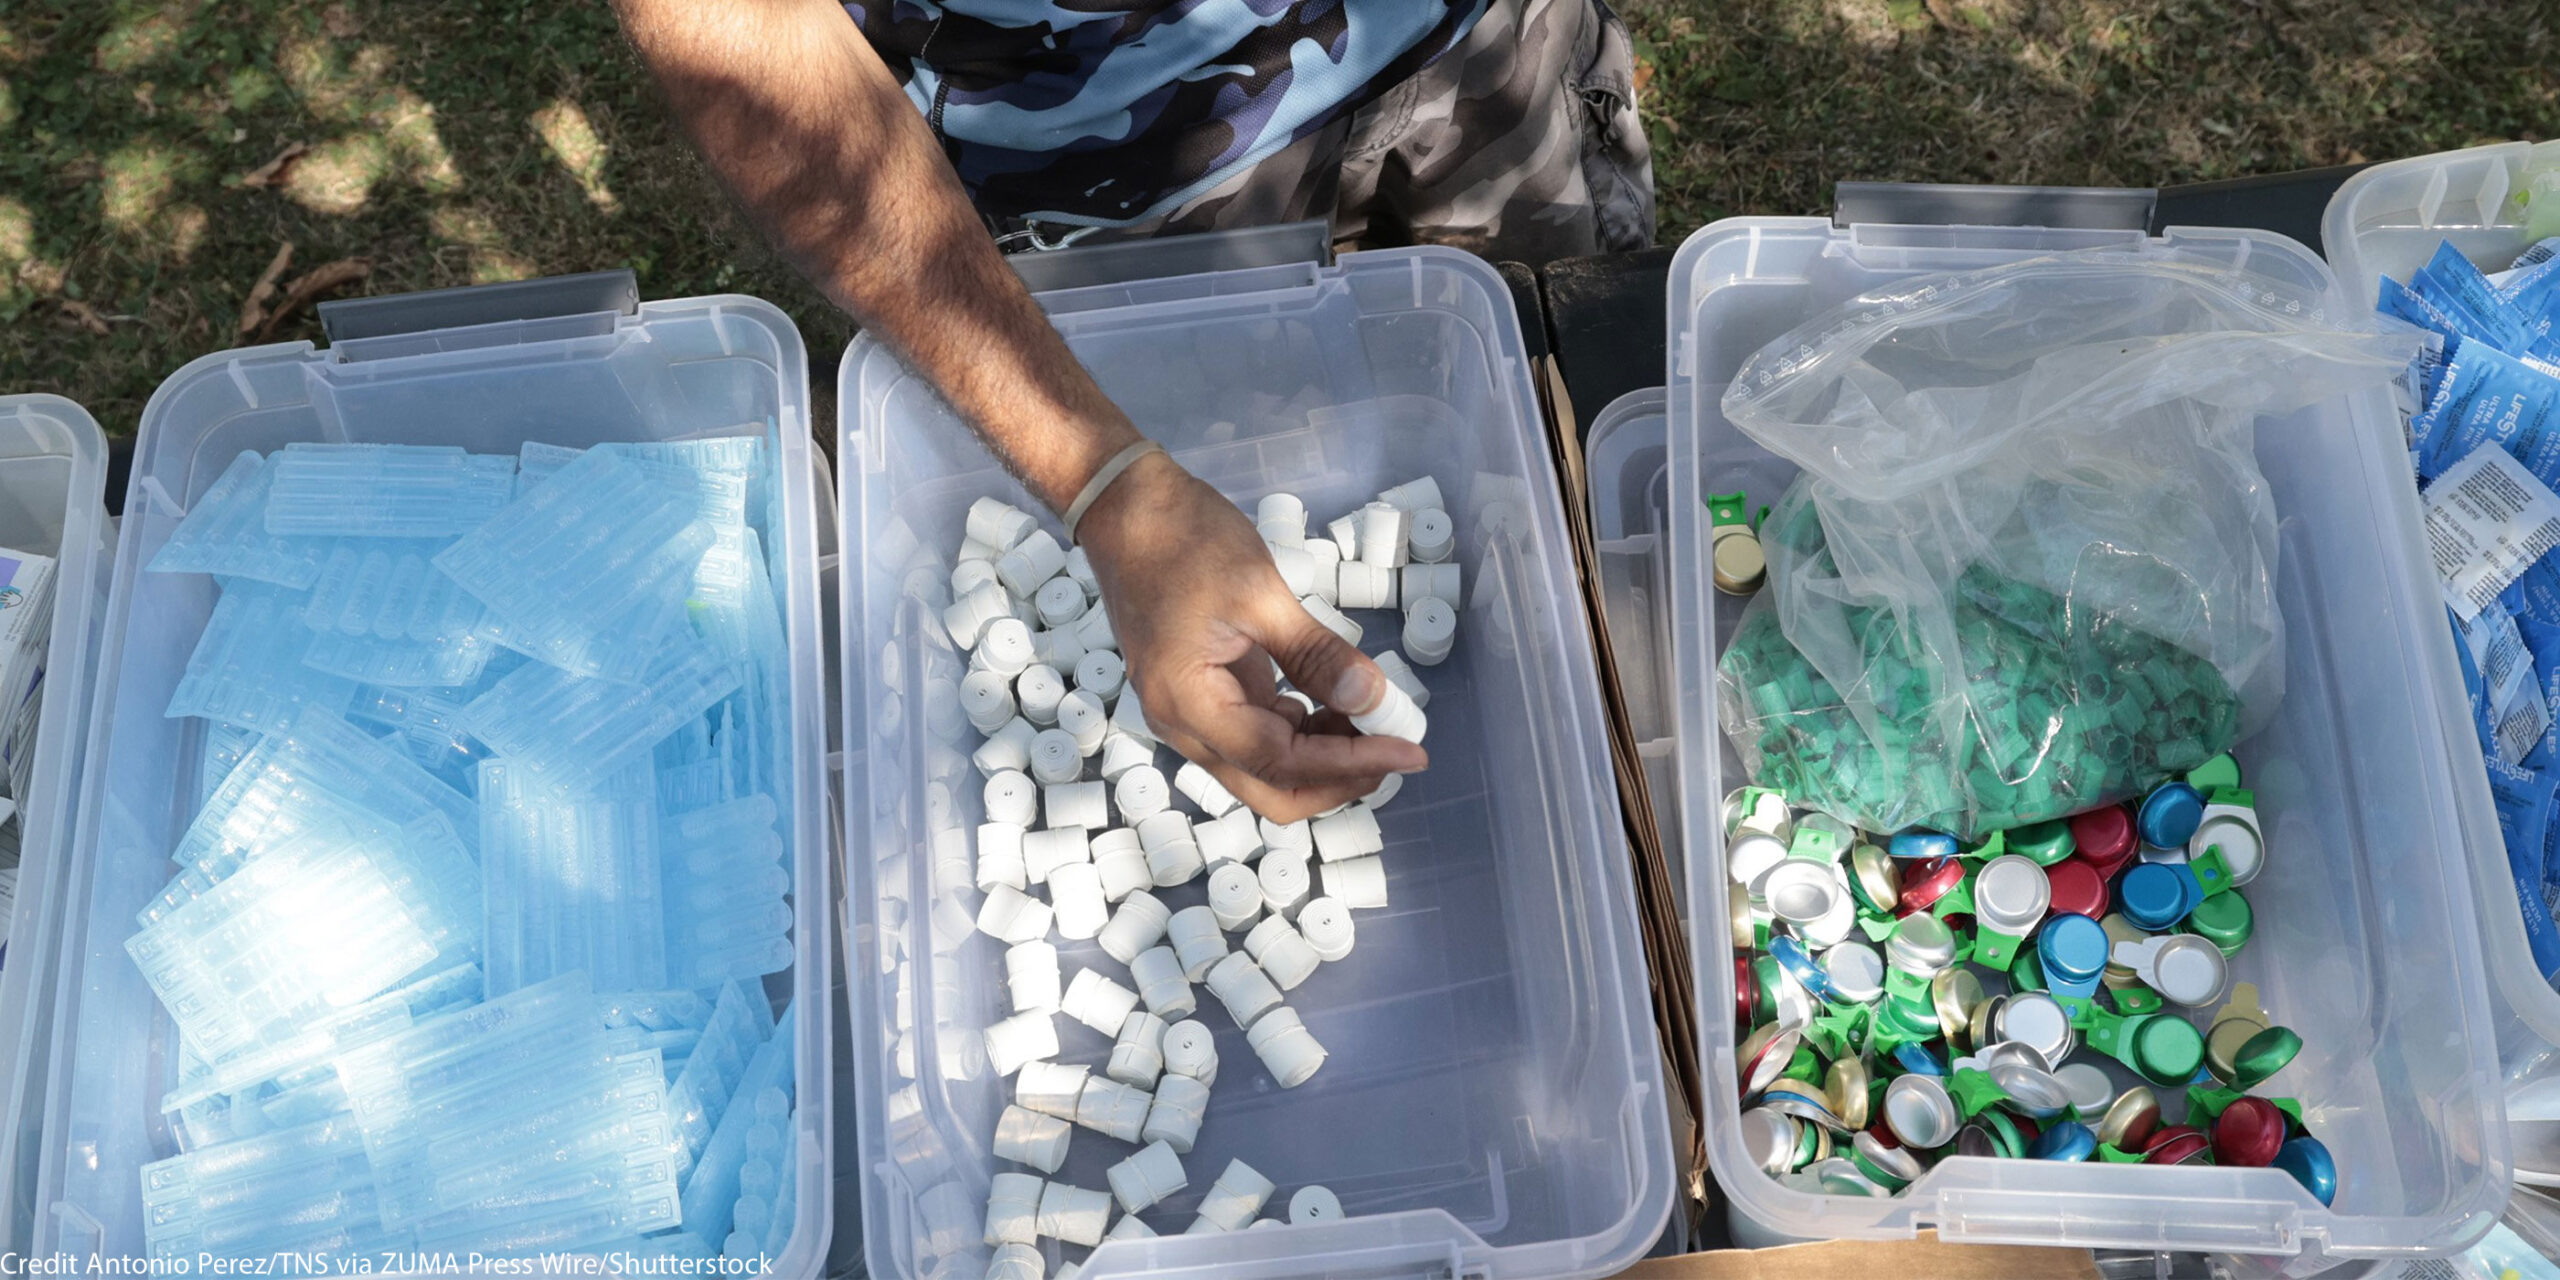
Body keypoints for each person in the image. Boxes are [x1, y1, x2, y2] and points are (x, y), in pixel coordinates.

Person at [612, 0, 1652, 820]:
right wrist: (1110, 485)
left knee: (1551, 422)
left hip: (1488, 43)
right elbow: (736, 29)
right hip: (1114, 172)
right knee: (1251, 475)